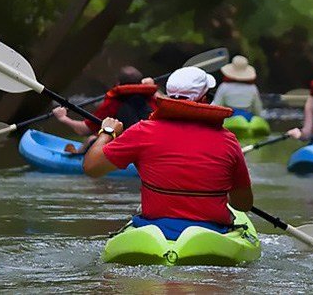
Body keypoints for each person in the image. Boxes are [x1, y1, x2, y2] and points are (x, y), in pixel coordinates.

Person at [82, 66, 254, 240]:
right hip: (211, 233)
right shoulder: (228, 140)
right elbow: (243, 204)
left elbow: (91, 167)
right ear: (204, 99)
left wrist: (107, 132)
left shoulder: (142, 131)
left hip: (155, 232)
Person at [52, 66, 158, 153]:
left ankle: (77, 155)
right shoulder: (152, 98)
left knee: (92, 139)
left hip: (126, 149)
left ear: (118, 83)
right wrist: (152, 87)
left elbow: (84, 130)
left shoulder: (114, 102)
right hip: (152, 147)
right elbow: (166, 102)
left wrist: (63, 118)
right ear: (141, 83)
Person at [212, 55, 263, 120]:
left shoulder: (224, 86)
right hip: (246, 120)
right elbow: (257, 108)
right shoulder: (252, 88)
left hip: (228, 118)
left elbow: (217, 106)